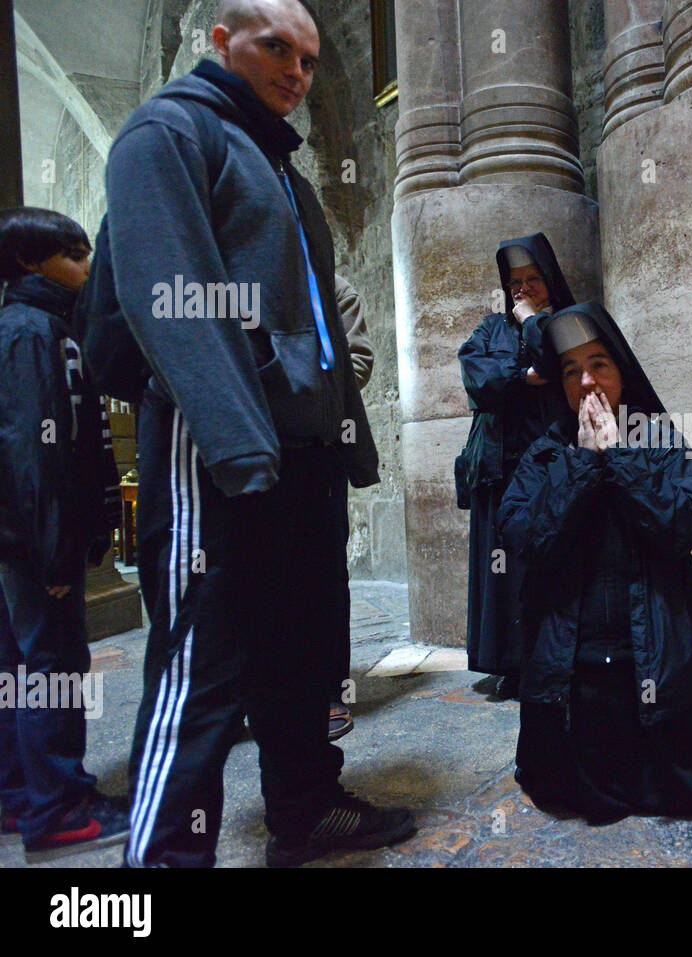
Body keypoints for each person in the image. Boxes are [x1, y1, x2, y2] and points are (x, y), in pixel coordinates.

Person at [105, 0, 413, 867]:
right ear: (222, 41)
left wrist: (337, 437)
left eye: (310, 61)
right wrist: (241, 444)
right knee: (201, 677)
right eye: (276, 48)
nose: (297, 73)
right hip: (221, 453)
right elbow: (168, 300)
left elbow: (313, 324)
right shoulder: (166, 135)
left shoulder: (281, 169)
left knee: (304, 657)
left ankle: (306, 808)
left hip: (300, 458)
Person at [499, 302, 692, 824]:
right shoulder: (543, 455)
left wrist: (619, 457)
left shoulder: (658, 440)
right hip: (574, 670)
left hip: (649, 664)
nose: (586, 382)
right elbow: (526, 538)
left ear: (621, 374)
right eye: (570, 371)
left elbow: (683, 523)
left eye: (599, 366)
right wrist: (584, 463)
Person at [0, 207, 129, 859]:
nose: (87, 266)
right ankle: (58, 812)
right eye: (74, 255)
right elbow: (35, 451)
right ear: (30, 262)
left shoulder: (44, 324)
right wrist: (54, 549)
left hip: (24, 538)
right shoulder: (31, 332)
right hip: (33, 541)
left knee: (23, 668)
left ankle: (25, 793)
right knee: (52, 666)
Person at [457, 234, 572, 700]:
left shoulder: (567, 323)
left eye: (533, 281)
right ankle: (507, 661)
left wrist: (530, 323)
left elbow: (555, 362)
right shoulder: (489, 329)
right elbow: (477, 379)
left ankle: (544, 659)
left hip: (542, 465)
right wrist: (523, 376)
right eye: (515, 284)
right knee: (498, 570)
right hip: (494, 466)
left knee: (536, 565)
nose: (523, 290)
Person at [326, 273, 374, 741]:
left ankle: (328, 694)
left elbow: (358, 361)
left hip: (317, 448)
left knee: (322, 577)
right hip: (256, 445)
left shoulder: (335, 290)